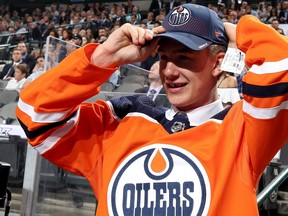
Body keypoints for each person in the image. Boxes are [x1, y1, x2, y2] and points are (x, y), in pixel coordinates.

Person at [16, 4, 288, 215]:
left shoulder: (244, 129)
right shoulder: (121, 121)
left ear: (218, 63)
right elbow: (34, 114)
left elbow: (282, 67)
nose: (169, 71)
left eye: (184, 58)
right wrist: (102, 58)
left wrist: (233, 30)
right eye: (164, 57)